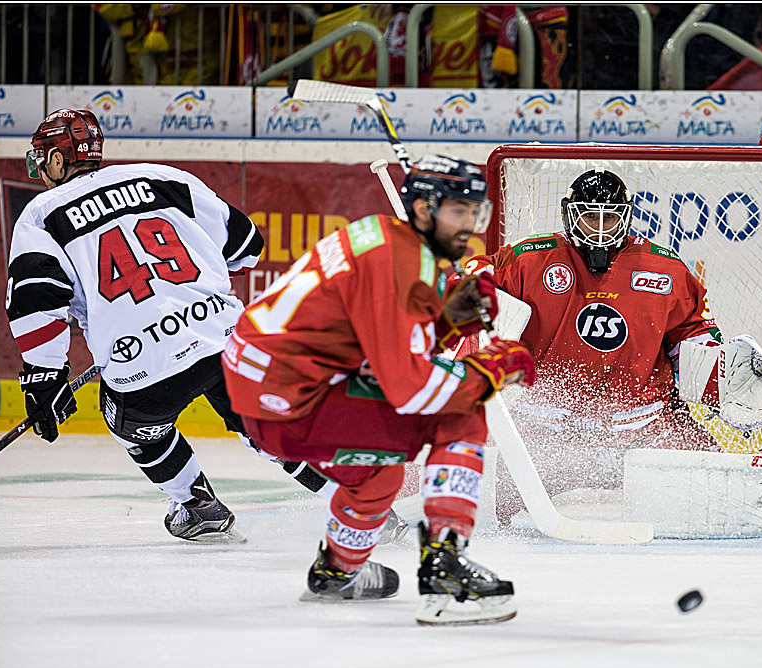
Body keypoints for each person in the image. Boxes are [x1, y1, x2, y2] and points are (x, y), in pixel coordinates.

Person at [222, 154, 535, 625]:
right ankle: (445, 573)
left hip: (270, 387)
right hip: (296, 397)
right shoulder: (400, 264)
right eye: (458, 211)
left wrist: (450, 319)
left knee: (378, 470)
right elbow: (410, 388)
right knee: (461, 411)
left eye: (475, 212)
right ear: (424, 210)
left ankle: (337, 572)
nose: (469, 225)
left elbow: (382, 340)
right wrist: (489, 370)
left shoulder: (384, 236)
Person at [5, 108, 337, 543]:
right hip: (227, 342)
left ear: (56, 161)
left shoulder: (41, 215)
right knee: (266, 424)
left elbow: (34, 302)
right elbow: (247, 247)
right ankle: (352, 501)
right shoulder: (162, 177)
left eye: (41, 157)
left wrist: (45, 378)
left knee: (133, 425)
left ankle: (195, 502)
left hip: (143, 367)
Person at [461, 169, 725, 521]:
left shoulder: (667, 270)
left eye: (610, 217)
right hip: (545, 431)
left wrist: (727, 380)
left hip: (646, 427)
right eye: (590, 218)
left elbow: (694, 340)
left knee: (717, 495)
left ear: (627, 216)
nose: (600, 229)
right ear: (571, 216)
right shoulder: (529, 260)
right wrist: (474, 297)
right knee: (479, 498)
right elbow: (474, 275)